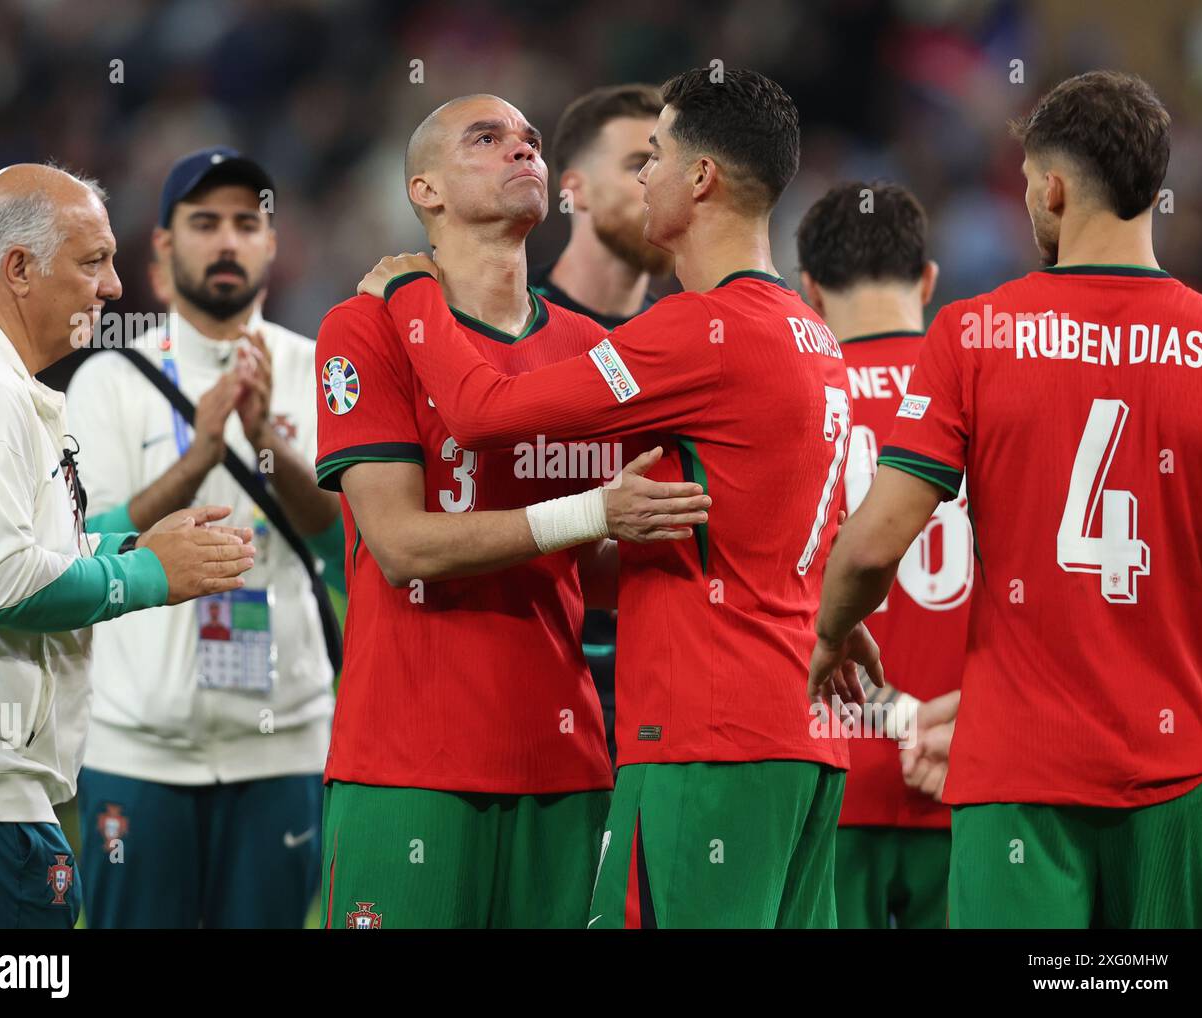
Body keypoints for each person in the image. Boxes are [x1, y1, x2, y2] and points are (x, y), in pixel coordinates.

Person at [360, 68, 881, 928]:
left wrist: (411, 294)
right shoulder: (809, 332)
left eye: (658, 156)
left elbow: (483, 415)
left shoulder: (695, 330)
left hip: (708, 736)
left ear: (702, 179)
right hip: (805, 740)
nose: (644, 177)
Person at [808, 71, 1202, 928]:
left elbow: (874, 546)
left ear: (1055, 187)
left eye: (1030, 180)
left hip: (1020, 783)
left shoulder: (974, 333)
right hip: (1183, 776)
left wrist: (834, 632)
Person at [316, 94, 710, 929]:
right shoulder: (363, 330)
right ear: (423, 190)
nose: (521, 150)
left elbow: (595, 568)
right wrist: (594, 513)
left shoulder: (587, 352)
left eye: (530, 140)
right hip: (411, 763)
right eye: (486, 139)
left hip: (562, 764)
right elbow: (401, 547)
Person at [0, 163, 254, 929]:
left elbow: (9, 541)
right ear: (19, 268)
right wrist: (146, 575)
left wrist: (133, 541)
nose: (111, 288)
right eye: (92, 260)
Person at [65, 148, 339, 928]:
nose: (227, 241)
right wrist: (199, 458)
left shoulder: (318, 370)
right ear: (162, 248)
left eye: (247, 223)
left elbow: (340, 544)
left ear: (272, 244)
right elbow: (86, 544)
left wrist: (268, 445)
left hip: (282, 740)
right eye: (205, 222)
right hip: (137, 747)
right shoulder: (110, 378)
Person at [796, 180, 967, 929]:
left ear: (807, 291)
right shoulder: (980, 382)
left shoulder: (793, 395)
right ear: (928, 281)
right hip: (969, 768)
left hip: (831, 769)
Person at [532, 82, 672, 766]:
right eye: (635, 164)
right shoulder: (508, 333)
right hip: (533, 676)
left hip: (662, 690)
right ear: (575, 190)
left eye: (664, 164)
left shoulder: (697, 339)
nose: (656, 184)